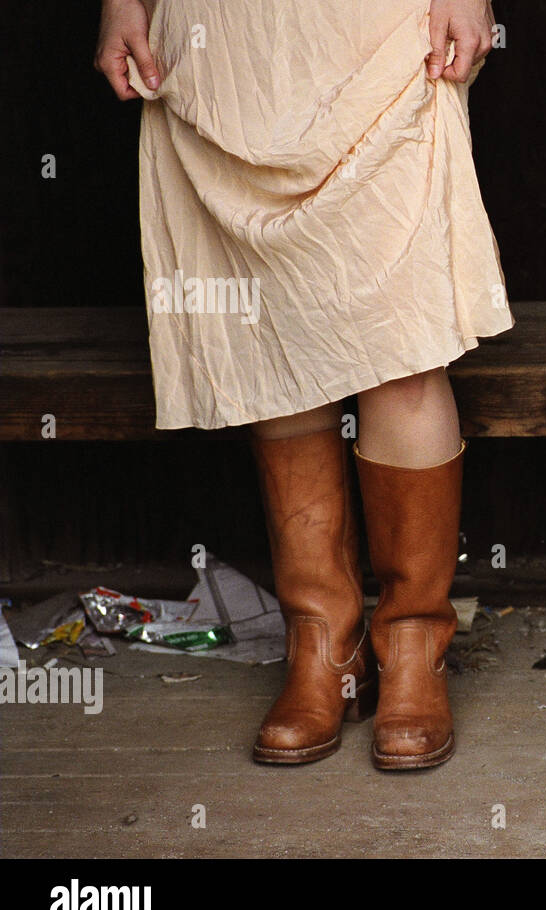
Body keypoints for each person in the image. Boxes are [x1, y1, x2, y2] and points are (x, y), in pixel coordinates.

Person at [94, 0, 513, 770]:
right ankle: (322, 647)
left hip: (376, 31)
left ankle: (415, 647)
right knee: (274, 345)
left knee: (403, 343)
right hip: (231, 40)